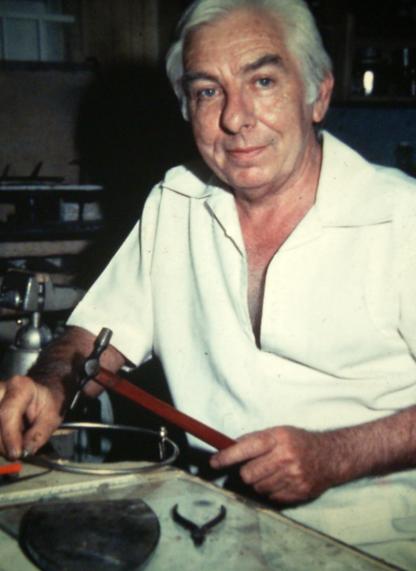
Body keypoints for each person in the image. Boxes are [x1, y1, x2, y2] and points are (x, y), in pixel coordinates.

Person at [1, 0, 416, 567]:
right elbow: (93, 342)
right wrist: (49, 385)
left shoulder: (402, 217)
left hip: (381, 542)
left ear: (317, 94)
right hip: (211, 527)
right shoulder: (176, 202)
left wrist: (338, 454)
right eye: (207, 92)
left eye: (263, 80)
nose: (235, 118)